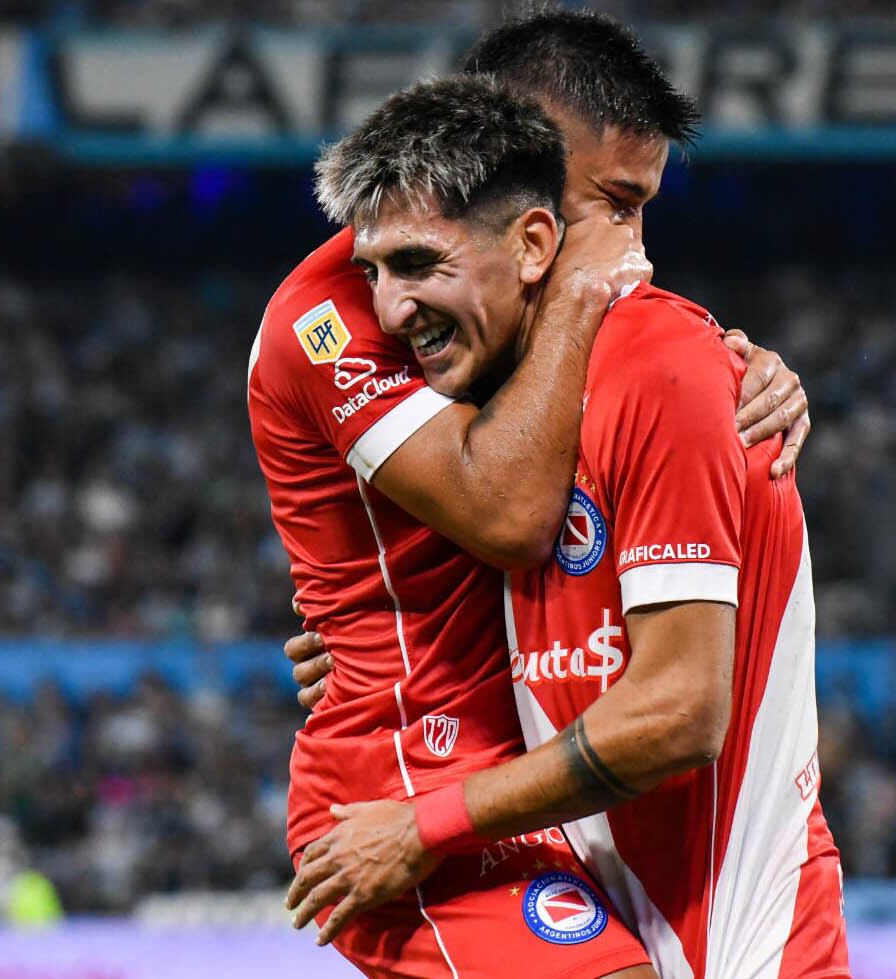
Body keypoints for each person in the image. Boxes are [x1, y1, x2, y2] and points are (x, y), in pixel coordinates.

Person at [249, 11, 809, 978]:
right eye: (615, 205)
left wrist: (732, 365)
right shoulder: (334, 313)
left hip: (527, 789)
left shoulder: (552, 328)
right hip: (405, 786)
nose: (632, 251)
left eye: (641, 212)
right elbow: (511, 516)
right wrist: (589, 304)